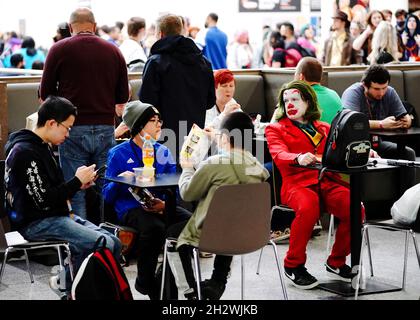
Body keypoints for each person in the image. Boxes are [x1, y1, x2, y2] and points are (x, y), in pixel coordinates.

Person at [4, 96, 121, 299]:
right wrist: (75, 182)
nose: (68, 134)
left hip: (57, 216)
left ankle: (69, 283)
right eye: (67, 128)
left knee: (114, 242)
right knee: (103, 242)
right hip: (37, 222)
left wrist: (79, 184)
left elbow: (53, 191)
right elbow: (43, 200)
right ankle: (78, 289)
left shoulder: (41, 146)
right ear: (51, 123)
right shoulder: (24, 152)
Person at [167, 112, 269, 299]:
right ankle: (218, 281)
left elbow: (187, 193)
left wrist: (188, 168)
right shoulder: (258, 168)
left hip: (214, 234)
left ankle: (190, 291)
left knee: (174, 235)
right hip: (249, 233)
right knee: (230, 217)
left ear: (224, 137)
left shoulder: (213, 164)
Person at [39, 7, 129, 220]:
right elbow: (122, 95)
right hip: (106, 128)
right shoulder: (113, 50)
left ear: (70, 27)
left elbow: (45, 93)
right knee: (105, 188)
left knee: (75, 188)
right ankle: (106, 242)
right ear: (94, 26)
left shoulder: (59, 49)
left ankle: (82, 245)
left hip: (70, 129)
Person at [265, 81, 354, 290]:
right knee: (309, 207)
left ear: (308, 102)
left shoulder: (324, 127)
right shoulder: (275, 128)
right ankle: (293, 264)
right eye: (286, 100)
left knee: (355, 208)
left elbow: (340, 153)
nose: (289, 104)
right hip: (296, 186)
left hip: (327, 183)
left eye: (295, 99)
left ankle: (336, 262)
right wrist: (298, 157)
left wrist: (364, 152)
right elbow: (279, 154)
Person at [102, 101, 191, 300]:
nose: (159, 125)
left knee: (190, 224)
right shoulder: (118, 153)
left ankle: (166, 277)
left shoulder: (163, 152)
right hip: (130, 207)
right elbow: (107, 196)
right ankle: (146, 281)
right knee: (155, 228)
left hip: (160, 206)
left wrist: (165, 205)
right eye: (153, 121)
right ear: (139, 126)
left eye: (160, 120)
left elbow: (173, 189)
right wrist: (120, 181)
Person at [139, 13, 215, 161]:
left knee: (165, 179)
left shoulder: (156, 62)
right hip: (194, 137)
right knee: (190, 177)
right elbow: (210, 101)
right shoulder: (204, 62)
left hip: (164, 136)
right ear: (181, 32)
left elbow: (146, 103)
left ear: (160, 34)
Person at [341, 64, 416, 190]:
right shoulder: (353, 93)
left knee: (408, 154)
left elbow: (403, 116)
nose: (381, 93)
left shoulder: (390, 92)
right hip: (356, 145)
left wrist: (407, 120)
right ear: (364, 85)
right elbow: (351, 122)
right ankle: (360, 206)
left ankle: (405, 201)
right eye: (376, 89)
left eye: (384, 88)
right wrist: (381, 124)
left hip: (378, 143)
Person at [293, 57, 342, 124]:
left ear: (301, 77)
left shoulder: (296, 98)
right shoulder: (334, 94)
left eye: (295, 74)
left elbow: (274, 125)